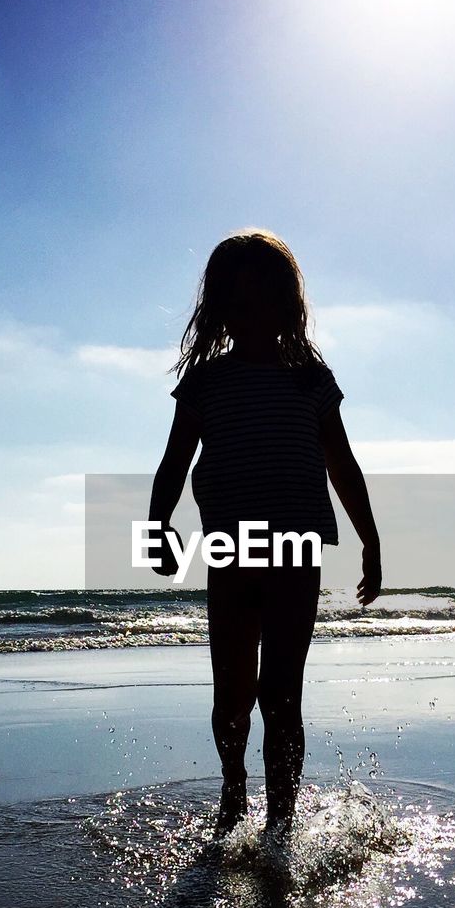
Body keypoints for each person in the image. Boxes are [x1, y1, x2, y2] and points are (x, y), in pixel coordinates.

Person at [147, 229, 382, 840]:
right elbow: (173, 463)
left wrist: (371, 540)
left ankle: (282, 819)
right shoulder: (205, 382)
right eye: (238, 304)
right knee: (232, 693)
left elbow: (343, 464)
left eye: (266, 304)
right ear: (221, 309)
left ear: (288, 307)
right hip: (232, 550)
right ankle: (232, 793)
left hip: (297, 551)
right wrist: (157, 527)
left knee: (282, 692)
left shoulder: (309, 378)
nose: (253, 318)